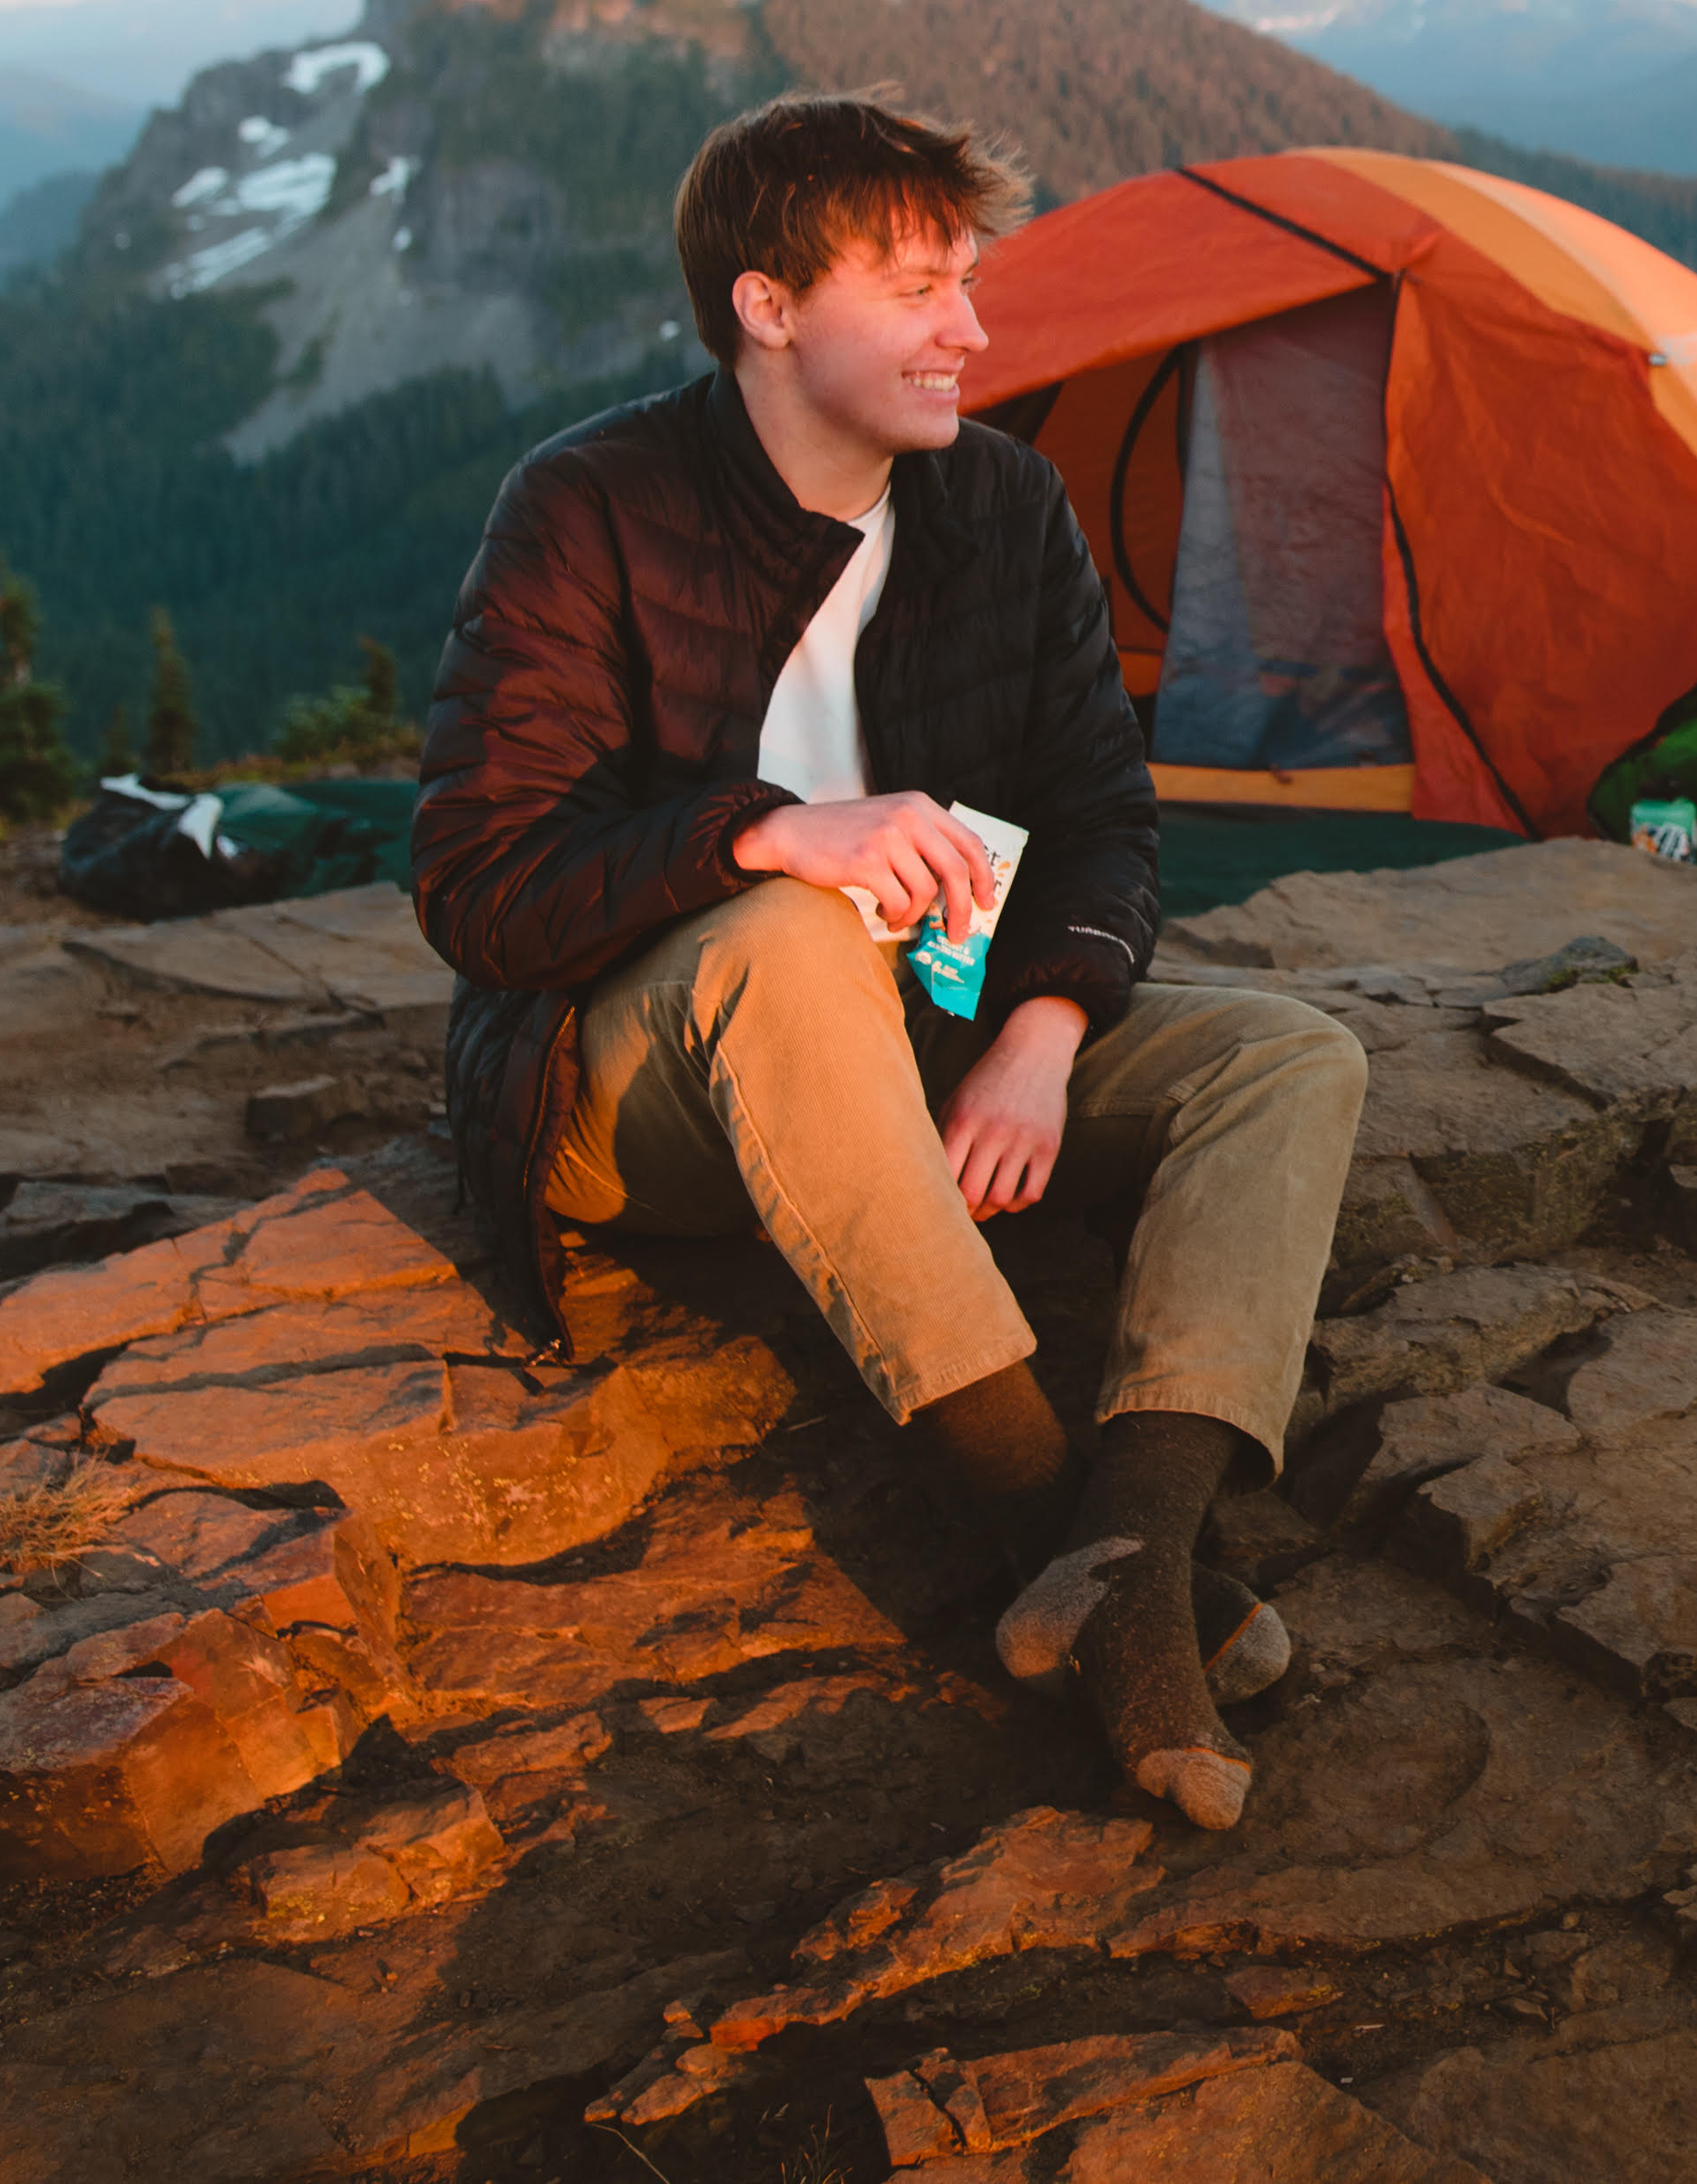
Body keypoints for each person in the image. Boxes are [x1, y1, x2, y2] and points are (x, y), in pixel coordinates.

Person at [411, 90, 1366, 1831]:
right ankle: (1044, 1529)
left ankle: (1131, 1542)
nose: (972, 329)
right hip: (642, 1096)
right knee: (788, 932)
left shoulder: (1000, 503)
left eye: (967, 282)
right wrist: (763, 832)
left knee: (1288, 1054)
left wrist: (1044, 1029)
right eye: (920, 287)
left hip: (917, 1034)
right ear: (768, 305)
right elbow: (479, 886)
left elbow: (1102, 814)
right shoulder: (589, 508)